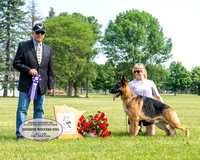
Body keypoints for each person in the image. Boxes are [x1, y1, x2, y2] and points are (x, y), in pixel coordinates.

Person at [13, 23, 54, 140]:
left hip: (41, 85)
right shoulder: (23, 46)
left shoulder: (48, 49)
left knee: (39, 109)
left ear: (44, 35)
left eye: (42, 33)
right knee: (22, 109)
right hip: (26, 84)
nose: (39, 34)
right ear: (32, 33)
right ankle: (20, 134)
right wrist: (28, 70)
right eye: (37, 32)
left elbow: (50, 69)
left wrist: (50, 85)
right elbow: (16, 63)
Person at [128, 63, 163, 136]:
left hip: (149, 109)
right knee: (132, 133)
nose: (136, 73)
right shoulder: (131, 84)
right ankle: (138, 126)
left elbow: (157, 96)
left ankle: (143, 126)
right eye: (134, 72)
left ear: (143, 71)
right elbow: (128, 97)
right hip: (136, 110)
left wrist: (163, 107)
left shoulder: (150, 83)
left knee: (150, 134)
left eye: (138, 71)